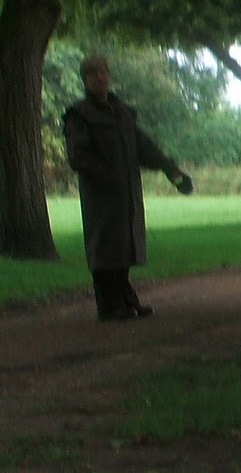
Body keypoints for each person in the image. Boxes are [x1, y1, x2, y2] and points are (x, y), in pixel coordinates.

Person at [63, 54, 193, 322]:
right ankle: (109, 306)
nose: (100, 78)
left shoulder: (121, 113)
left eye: (103, 72)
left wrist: (171, 170)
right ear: (85, 80)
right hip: (100, 196)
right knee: (104, 248)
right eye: (93, 74)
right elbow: (78, 157)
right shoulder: (79, 115)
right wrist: (107, 175)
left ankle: (126, 300)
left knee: (124, 246)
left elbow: (144, 147)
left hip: (126, 193)